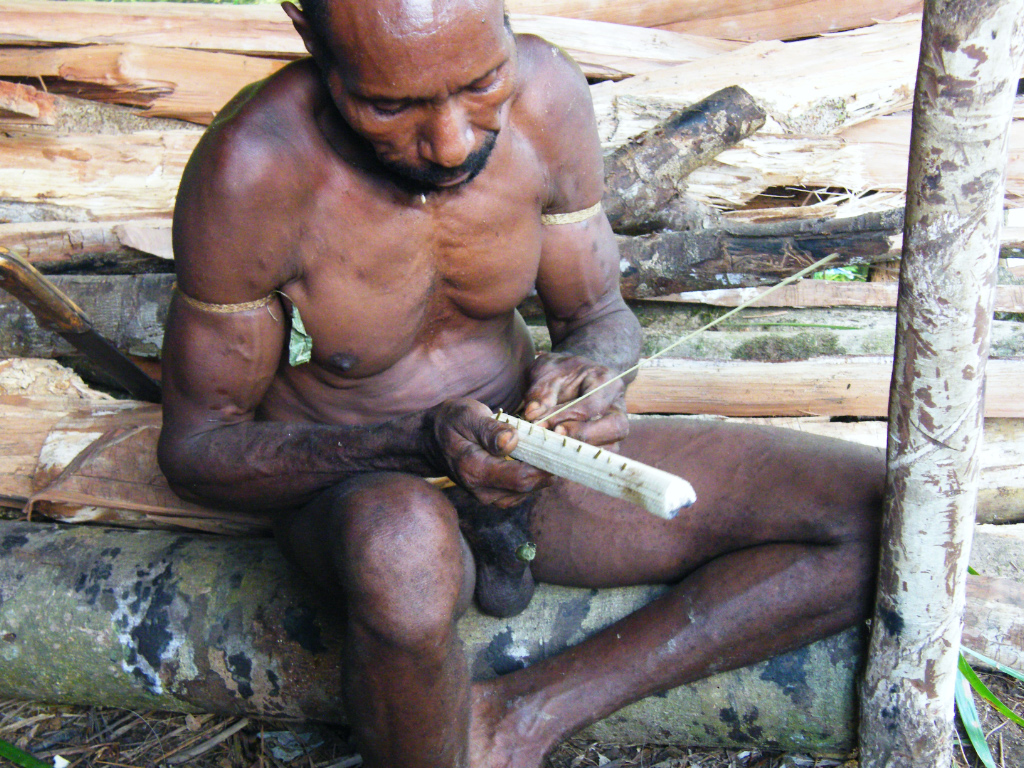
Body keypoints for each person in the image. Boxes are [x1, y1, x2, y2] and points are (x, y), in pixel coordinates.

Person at [157, 0, 884, 765]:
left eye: (482, 82)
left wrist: (591, 373)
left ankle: (519, 719)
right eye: (388, 105)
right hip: (362, 490)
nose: (450, 144)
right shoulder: (255, 167)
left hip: (532, 461)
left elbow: (599, 313)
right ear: (314, 41)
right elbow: (200, 452)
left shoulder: (546, 96)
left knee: (878, 514)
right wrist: (409, 444)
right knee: (402, 547)